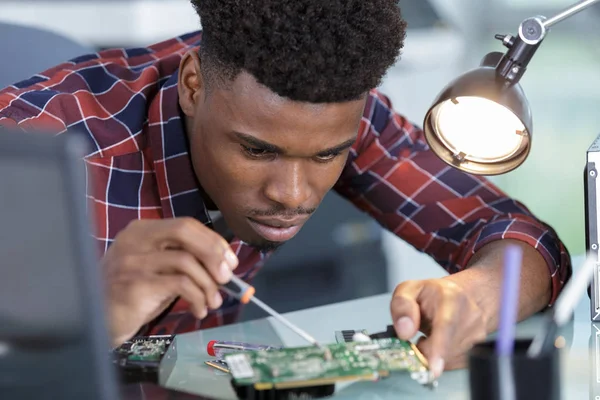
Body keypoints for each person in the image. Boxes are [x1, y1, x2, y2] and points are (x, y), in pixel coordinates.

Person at [0, 0, 570, 378]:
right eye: (256, 150)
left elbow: (524, 241)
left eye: (327, 155)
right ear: (193, 86)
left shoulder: (338, 111)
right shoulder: (33, 142)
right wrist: (83, 317)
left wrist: (476, 296)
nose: (292, 194)